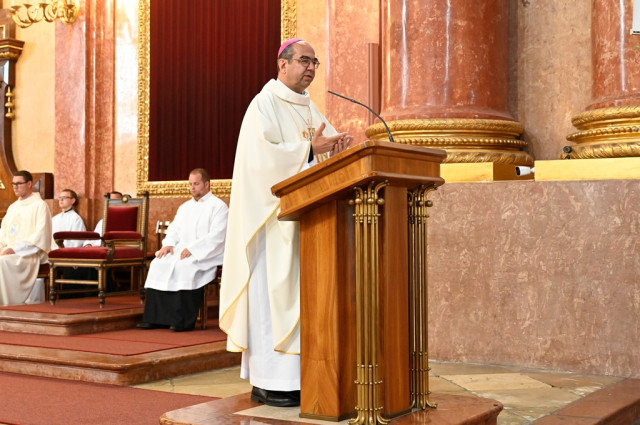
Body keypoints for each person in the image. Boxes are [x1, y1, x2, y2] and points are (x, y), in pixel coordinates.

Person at [218, 39, 353, 407]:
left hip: (309, 224)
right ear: (283, 64)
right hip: (274, 224)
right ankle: (271, 382)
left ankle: (302, 378)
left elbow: (324, 155)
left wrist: (337, 150)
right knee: (271, 302)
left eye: (315, 62)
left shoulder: (311, 108)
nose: (311, 68)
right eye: (304, 60)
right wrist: (310, 150)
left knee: (303, 302)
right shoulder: (263, 104)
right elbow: (260, 161)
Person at [137, 168, 228, 332]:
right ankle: (154, 318)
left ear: (207, 184)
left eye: (196, 184)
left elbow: (217, 235)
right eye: (190, 184)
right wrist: (168, 244)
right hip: (181, 249)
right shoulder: (184, 207)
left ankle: (181, 320)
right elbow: (174, 229)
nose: (192, 188)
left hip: (206, 253)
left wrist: (194, 249)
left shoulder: (219, 207)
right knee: (159, 263)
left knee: (185, 266)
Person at [0, 171, 52, 306]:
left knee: (2, 262)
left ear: (29, 184)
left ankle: (7, 304)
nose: (15, 187)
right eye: (13, 184)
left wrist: (14, 249)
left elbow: (40, 236)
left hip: (28, 254)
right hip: (9, 253)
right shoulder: (13, 207)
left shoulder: (40, 206)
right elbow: (3, 232)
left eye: (19, 183)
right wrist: (2, 247)